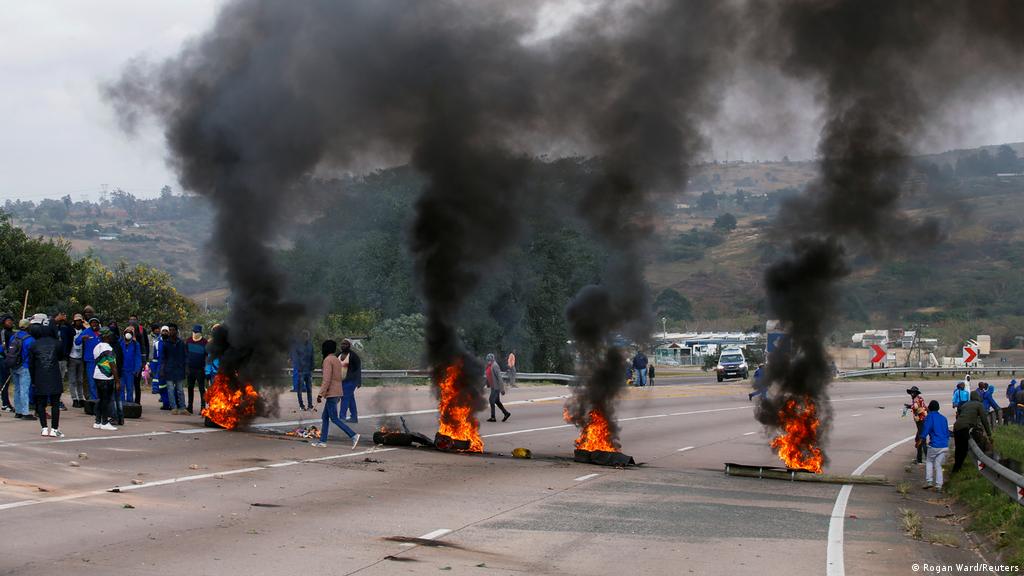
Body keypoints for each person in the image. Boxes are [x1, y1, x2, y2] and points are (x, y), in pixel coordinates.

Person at [312, 340, 359, 448]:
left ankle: (353, 435)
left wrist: (320, 394)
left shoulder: (328, 360)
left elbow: (327, 379)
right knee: (325, 417)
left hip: (332, 393)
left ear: (326, 349)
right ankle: (322, 441)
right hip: (338, 391)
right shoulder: (336, 359)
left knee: (334, 418)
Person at [28, 322, 64, 437]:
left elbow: (31, 365)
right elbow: (62, 356)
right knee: (55, 403)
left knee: (40, 403)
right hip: (54, 376)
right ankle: (54, 429)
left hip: (40, 376)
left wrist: (33, 379)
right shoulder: (57, 344)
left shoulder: (34, 345)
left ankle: (44, 428)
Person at [951, 391, 993, 474]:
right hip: (964, 428)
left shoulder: (965, 404)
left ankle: (956, 469)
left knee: (958, 449)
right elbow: (984, 420)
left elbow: (961, 414)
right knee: (964, 449)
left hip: (956, 427)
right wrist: (989, 434)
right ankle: (957, 470)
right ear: (977, 397)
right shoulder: (979, 405)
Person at [91, 329, 119, 431]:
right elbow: (113, 365)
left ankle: (97, 421)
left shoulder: (97, 347)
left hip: (97, 375)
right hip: (106, 377)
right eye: (110, 335)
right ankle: (105, 422)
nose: (111, 337)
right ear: (106, 337)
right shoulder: (108, 348)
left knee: (100, 399)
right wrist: (117, 381)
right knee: (106, 400)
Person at [918, 400, 949, 490]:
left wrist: (921, 439)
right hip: (944, 445)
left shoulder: (930, 417)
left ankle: (929, 481)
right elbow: (947, 432)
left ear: (930, 408)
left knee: (929, 461)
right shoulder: (943, 418)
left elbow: (926, 430)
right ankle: (939, 485)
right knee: (938, 465)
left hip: (935, 444)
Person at [8, 318, 35, 419]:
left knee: (17, 389)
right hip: (25, 366)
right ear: (28, 327)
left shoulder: (13, 336)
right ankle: (25, 412)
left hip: (14, 365)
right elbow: (32, 353)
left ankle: (18, 411)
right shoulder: (30, 339)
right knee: (24, 389)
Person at [159, 324, 188, 415]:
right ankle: (174, 408)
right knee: (170, 390)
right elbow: (163, 358)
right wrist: (162, 369)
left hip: (179, 369)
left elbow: (185, 356)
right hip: (169, 369)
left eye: (173, 330)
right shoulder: (166, 343)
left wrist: (186, 368)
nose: (171, 332)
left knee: (180, 390)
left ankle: (183, 408)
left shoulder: (181, 343)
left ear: (176, 331)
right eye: (170, 330)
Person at [75, 317, 101, 400]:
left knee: (100, 381)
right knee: (91, 381)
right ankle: (94, 399)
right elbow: (77, 342)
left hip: (101, 360)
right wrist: (82, 338)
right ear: (90, 324)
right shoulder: (86, 331)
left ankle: (101, 399)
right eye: (92, 323)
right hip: (90, 361)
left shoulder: (102, 331)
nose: (94, 324)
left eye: (95, 322)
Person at [120, 328, 143, 421]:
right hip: (121, 370)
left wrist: (137, 368)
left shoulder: (136, 344)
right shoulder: (120, 343)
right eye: (127, 332)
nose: (128, 334)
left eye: (130, 333)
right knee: (121, 388)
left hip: (130, 370)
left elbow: (138, 357)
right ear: (124, 334)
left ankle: (129, 406)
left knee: (130, 388)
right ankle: (121, 406)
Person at [186, 325, 208, 414]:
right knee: (190, 387)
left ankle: (203, 407)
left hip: (200, 369)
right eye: (194, 332)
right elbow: (185, 355)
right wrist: (186, 367)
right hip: (190, 368)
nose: (195, 333)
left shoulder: (205, 342)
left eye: (197, 332)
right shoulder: (188, 341)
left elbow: (207, 356)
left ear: (200, 332)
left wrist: (205, 367)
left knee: (201, 389)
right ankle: (190, 406)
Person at [338, 339, 361, 422]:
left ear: (349, 345)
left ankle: (341, 417)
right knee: (350, 398)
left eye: (345, 344)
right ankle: (354, 417)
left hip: (351, 381)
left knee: (345, 397)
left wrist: (358, 381)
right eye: (342, 344)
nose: (343, 345)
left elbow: (358, 369)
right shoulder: (338, 355)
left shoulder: (354, 356)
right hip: (341, 381)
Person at [290, 330, 314, 410]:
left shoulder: (310, 345)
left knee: (309, 389)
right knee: (299, 389)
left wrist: (312, 367)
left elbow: (312, 357)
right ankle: (301, 405)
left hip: (308, 370)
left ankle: (310, 405)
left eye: (307, 336)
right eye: (304, 336)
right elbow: (296, 358)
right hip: (301, 370)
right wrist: (299, 368)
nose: (306, 337)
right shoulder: (298, 346)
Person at [66, 314, 86, 407]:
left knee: (80, 379)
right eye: (76, 320)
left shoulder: (85, 331)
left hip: (81, 357)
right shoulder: (70, 330)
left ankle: (81, 398)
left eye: (80, 321)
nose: (78, 322)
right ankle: (74, 398)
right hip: (71, 356)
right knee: (72, 379)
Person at [484, 353, 510, 422]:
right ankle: (506, 413)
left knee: (491, 400)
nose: (489, 361)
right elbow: (488, 376)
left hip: (496, 387)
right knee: (497, 401)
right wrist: (487, 384)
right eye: (488, 360)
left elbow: (499, 378)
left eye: (490, 360)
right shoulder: (489, 366)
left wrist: (502, 389)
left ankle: (493, 417)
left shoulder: (495, 366)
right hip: (493, 387)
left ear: (493, 359)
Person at [905, 386, 927, 464]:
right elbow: (923, 407)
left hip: (921, 421)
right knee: (918, 439)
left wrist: (909, 406)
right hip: (923, 420)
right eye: (911, 392)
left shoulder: (916, 399)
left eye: (913, 392)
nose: (912, 394)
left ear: (916, 393)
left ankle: (924, 459)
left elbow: (916, 406)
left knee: (921, 440)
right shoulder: (920, 398)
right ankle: (919, 459)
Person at [1, 314, 15, 412]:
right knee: (4, 382)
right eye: (7, 321)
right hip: (3, 360)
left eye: (11, 321)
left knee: (5, 382)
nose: (10, 322)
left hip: (8, 359)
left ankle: (6, 403)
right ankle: (5, 403)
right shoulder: (3, 333)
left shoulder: (12, 333)